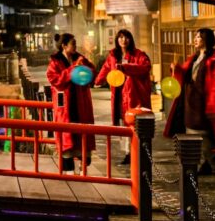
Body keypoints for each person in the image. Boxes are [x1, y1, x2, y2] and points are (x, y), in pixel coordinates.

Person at [163, 28, 215, 175]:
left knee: (202, 133)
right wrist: (176, 69)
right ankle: (204, 162)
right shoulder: (194, 58)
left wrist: (214, 104)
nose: (195, 39)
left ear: (206, 40)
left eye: (198, 37)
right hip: (191, 102)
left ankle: (208, 161)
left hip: (203, 102)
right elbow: (184, 74)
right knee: (193, 132)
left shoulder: (213, 61)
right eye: (195, 37)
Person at [95, 29, 152, 166]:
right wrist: (97, 80)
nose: (123, 40)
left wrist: (126, 68)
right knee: (122, 124)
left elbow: (145, 67)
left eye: (126, 37)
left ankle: (134, 153)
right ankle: (128, 152)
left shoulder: (139, 54)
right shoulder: (113, 55)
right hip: (119, 94)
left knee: (133, 123)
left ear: (131, 39)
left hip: (134, 95)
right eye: (120, 37)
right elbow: (106, 68)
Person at [46, 33, 96, 173]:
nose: (75, 45)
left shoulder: (80, 59)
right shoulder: (55, 62)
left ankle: (81, 170)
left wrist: (84, 69)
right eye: (73, 43)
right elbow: (55, 80)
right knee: (66, 137)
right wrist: (72, 70)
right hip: (65, 104)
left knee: (82, 135)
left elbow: (92, 71)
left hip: (81, 102)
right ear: (64, 46)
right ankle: (69, 173)